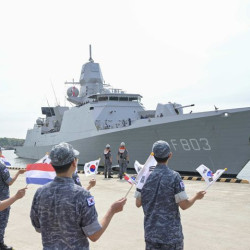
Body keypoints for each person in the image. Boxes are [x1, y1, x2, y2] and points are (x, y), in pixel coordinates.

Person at [30, 142, 127, 250]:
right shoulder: (82, 195)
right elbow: (94, 235)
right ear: (74, 163)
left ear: (52, 164)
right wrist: (112, 210)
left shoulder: (40, 193)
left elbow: (38, 227)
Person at [135, 140, 206, 250]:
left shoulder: (144, 177)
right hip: (171, 237)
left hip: (151, 235)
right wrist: (196, 197)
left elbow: (138, 203)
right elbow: (184, 205)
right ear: (170, 155)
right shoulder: (174, 176)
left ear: (153, 156)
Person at [0, 147, 26, 250]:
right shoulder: (2, 167)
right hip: (3, 200)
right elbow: (10, 182)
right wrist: (18, 173)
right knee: (2, 222)